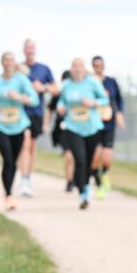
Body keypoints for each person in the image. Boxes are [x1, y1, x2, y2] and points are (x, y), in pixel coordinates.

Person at [0, 52, 39, 211]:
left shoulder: (21, 80)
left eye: (11, 60)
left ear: (14, 63)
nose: (8, 63)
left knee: (13, 160)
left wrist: (18, 97)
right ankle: (9, 195)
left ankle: (9, 193)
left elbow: (34, 99)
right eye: (6, 60)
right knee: (7, 159)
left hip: (18, 125)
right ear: (2, 62)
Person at [57, 59, 109, 209]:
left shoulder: (92, 83)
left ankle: (86, 186)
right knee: (79, 159)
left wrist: (92, 103)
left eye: (80, 66)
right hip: (73, 127)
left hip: (92, 127)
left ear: (84, 69)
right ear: (71, 69)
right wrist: (61, 107)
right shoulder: (67, 85)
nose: (77, 69)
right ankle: (82, 193)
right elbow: (61, 101)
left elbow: (104, 99)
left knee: (88, 160)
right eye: (74, 66)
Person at [17, 38, 57, 197]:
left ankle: (27, 178)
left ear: (36, 50)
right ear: (23, 50)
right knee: (24, 145)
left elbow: (55, 89)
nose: (30, 50)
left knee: (31, 147)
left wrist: (43, 88)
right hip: (20, 112)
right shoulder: (18, 68)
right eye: (27, 48)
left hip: (36, 113)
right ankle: (23, 178)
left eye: (32, 48)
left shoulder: (43, 69)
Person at [90, 55, 125, 198]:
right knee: (95, 157)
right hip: (93, 125)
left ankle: (104, 174)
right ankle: (98, 185)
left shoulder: (111, 82)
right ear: (92, 66)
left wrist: (119, 115)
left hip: (109, 124)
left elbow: (118, 100)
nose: (98, 67)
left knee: (106, 158)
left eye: (100, 65)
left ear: (103, 66)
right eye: (96, 65)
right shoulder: (89, 82)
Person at [48, 70, 76, 192]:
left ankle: (78, 178)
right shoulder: (58, 95)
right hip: (64, 128)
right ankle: (70, 181)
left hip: (80, 128)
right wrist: (46, 124)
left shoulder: (79, 93)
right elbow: (50, 109)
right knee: (69, 156)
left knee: (78, 157)